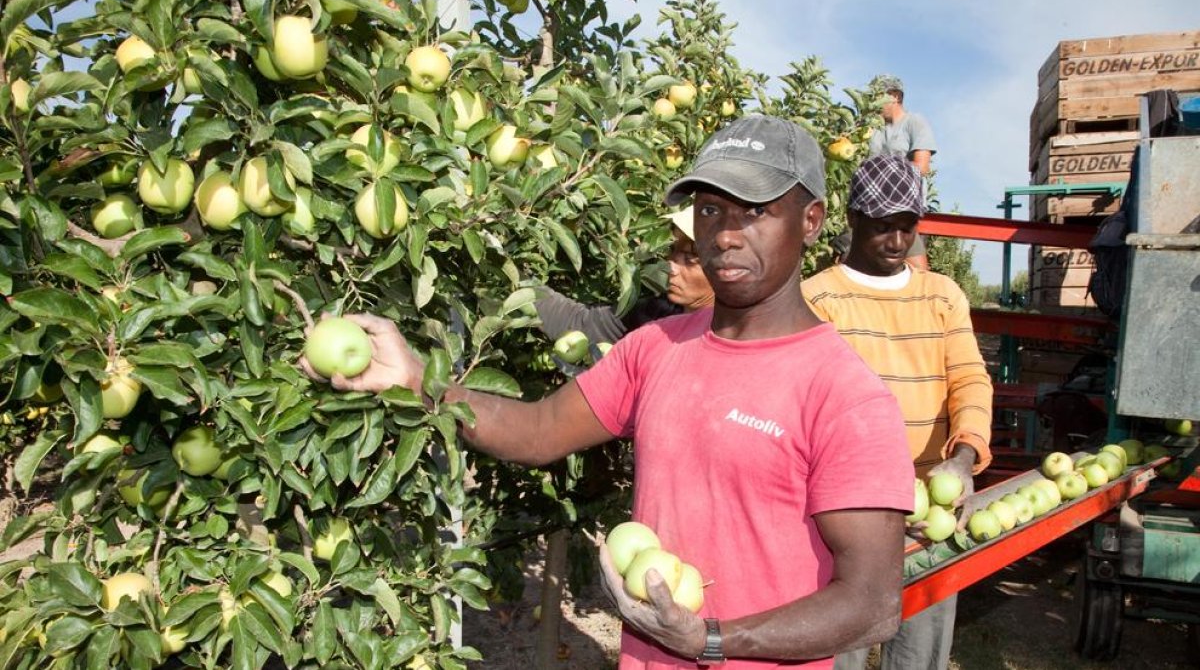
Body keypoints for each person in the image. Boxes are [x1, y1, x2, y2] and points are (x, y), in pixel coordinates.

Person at [308, 115, 916, 669]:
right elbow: (539, 431)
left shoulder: (845, 396)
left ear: (810, 222)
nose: (725, 235)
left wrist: (710, 638)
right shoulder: (657, 348)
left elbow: (870, 604)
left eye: (753, 211)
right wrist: (417, 382)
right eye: (709, 210)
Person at [802, 155, 994, 670]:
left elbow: (969, 379)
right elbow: (813, 415)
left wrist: (965, 455)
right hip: (848, 510)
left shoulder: (942, 295)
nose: (895, 242)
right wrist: (872, 501)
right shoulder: (817, 300)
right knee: (837, 648)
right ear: (852, 219)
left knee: (920, 652)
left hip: (935, 500)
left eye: (907, 227)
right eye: (882, 227)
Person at [534, 207, 715, 344]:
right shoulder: (655, 315)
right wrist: (517, 283)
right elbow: (582, 325)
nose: (671, 267)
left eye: (691, 258)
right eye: (672, 249)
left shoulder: (731, 342)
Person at [866, 75, 935, 270]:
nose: (873, 103)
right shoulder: (876, 129)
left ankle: (925, 298)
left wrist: (885, 175)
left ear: (895, 96)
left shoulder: (914, 122)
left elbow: (922, 167)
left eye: (877, 97)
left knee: (915, 266)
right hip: (874, 207)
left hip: (903, 205)